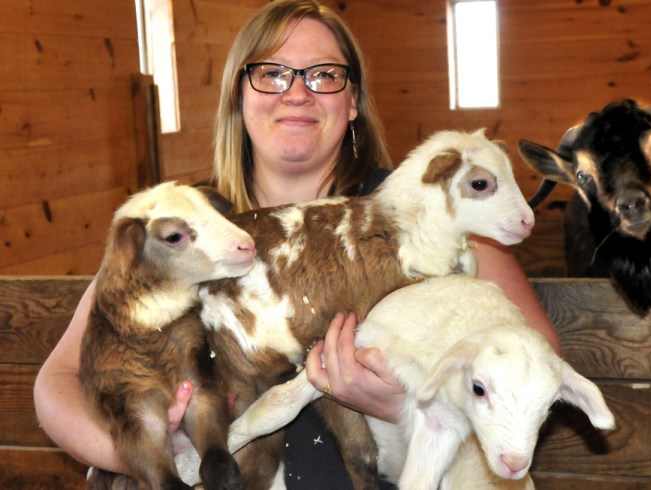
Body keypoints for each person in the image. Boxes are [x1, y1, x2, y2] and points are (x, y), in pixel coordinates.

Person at [34, 0, 561, 487]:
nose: (297, 91)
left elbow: (539, 362)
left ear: (353, 101)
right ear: (239, 98)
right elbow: (56, 382)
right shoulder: (181, 223)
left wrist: (408, 401)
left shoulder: (433, 214)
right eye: (271, 73)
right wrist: (150, 452)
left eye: (325, 75)